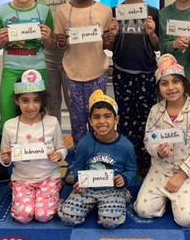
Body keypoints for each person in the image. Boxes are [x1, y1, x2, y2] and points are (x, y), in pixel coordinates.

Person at [0, 0, 54, 183]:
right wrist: (2, 39)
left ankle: (36, 157)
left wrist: (47, 37)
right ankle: (1, 158)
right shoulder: (2, 11)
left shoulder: (44, 11)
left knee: (37, 115)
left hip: (38, 69)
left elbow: (51, 43)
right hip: (11, 70)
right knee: (7, 117)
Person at [134, 54, 190, 227]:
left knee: (187, 220)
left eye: (175, 81)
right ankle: (171, 198)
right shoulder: (156, 111)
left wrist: (182, 175)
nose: (171, 87)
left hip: (188, 171)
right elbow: (148, 141)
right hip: (160, 169)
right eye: (164, 83)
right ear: (159, 88)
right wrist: (158, 151)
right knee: (143, 210)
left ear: (184, 83)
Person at [53, 0, 114, 146]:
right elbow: (59, 41)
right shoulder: (62, 11)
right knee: (77, 119)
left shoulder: (105, 11)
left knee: (99, 116)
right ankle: (81, 153)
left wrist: (111, 39)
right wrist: (60, 41)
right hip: (72, 73)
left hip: (97, 72)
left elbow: (106, 43)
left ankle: (99, 151)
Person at [107, 0, 160, 175]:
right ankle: (128, 159)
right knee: (126, 118)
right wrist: (112, 34)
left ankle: (146, 158)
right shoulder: (114, 12)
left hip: (147, 73)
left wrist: (151, 33)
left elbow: (157, 46)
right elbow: (109, 46)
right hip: (121, 72)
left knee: (147, 117)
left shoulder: (153, 13)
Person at [58, 89, 135, 228]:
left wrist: (124, 178)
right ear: (90, 121)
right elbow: (78, 166)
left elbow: (131, 169)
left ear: (116, 119)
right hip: (87, 188)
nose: (102, 121)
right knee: (68, 217)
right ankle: (95, 205)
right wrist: (78, 180)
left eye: (107, 116)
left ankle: (121, 198)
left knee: (109, 221)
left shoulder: (126, 146)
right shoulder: (84, 143)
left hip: (112, 189)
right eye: (96, 117)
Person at [0, 70, 65, 223]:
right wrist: (5, 159)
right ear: (17, 101)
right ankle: (22, 191)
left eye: (36, 100)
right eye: (25, 100)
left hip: (48, 177)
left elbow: (62, 148)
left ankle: (54, 187)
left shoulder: (52, 122)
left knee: (44, 216)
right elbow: (4, 159)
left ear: (42, 101)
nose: (31, 106)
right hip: (22, 179)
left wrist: (59, 155)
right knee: (24, 217)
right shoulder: (9, 126)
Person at [37, 0, 73, 125]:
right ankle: (54, 138)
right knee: (52, 102)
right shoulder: (39, 1)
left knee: (72, 102)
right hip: (47, 58)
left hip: (71, 57)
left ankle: (78, 140)